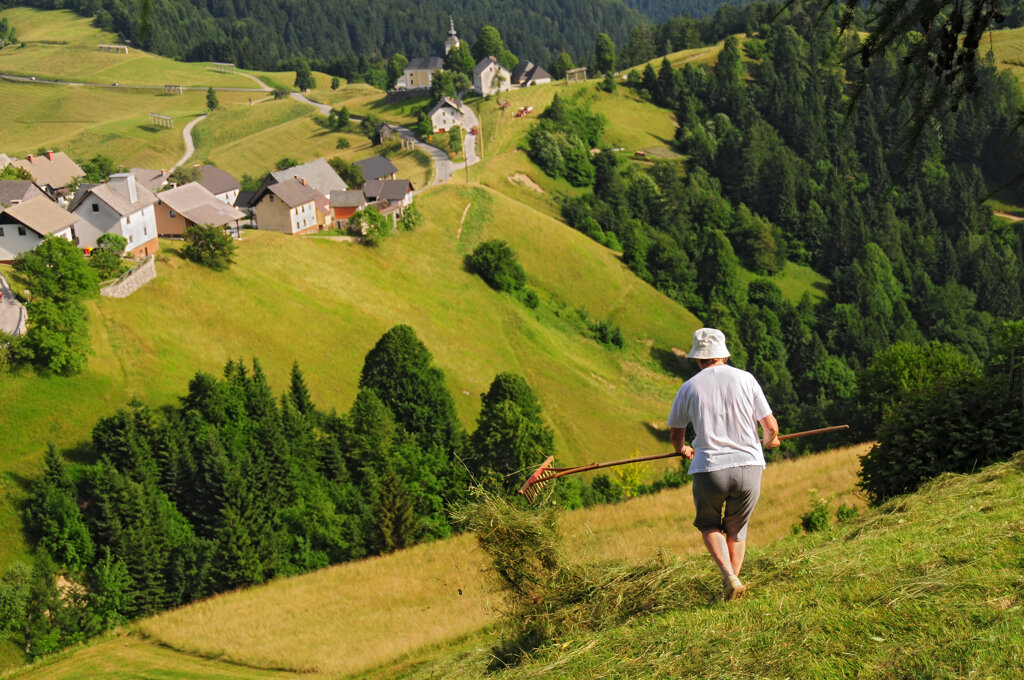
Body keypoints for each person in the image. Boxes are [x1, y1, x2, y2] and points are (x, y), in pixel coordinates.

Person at [668, 327, 780, 601]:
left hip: (710, 469)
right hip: (749, 466)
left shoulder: (689, 387)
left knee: (709, 525)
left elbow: (676, 431)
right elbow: (771, 426)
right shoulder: (746, 379)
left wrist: (682, 448)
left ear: (698, 359)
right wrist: (769, 441)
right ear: (724, 356)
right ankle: (732, 584)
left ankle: (729, 577)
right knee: (737, 530)